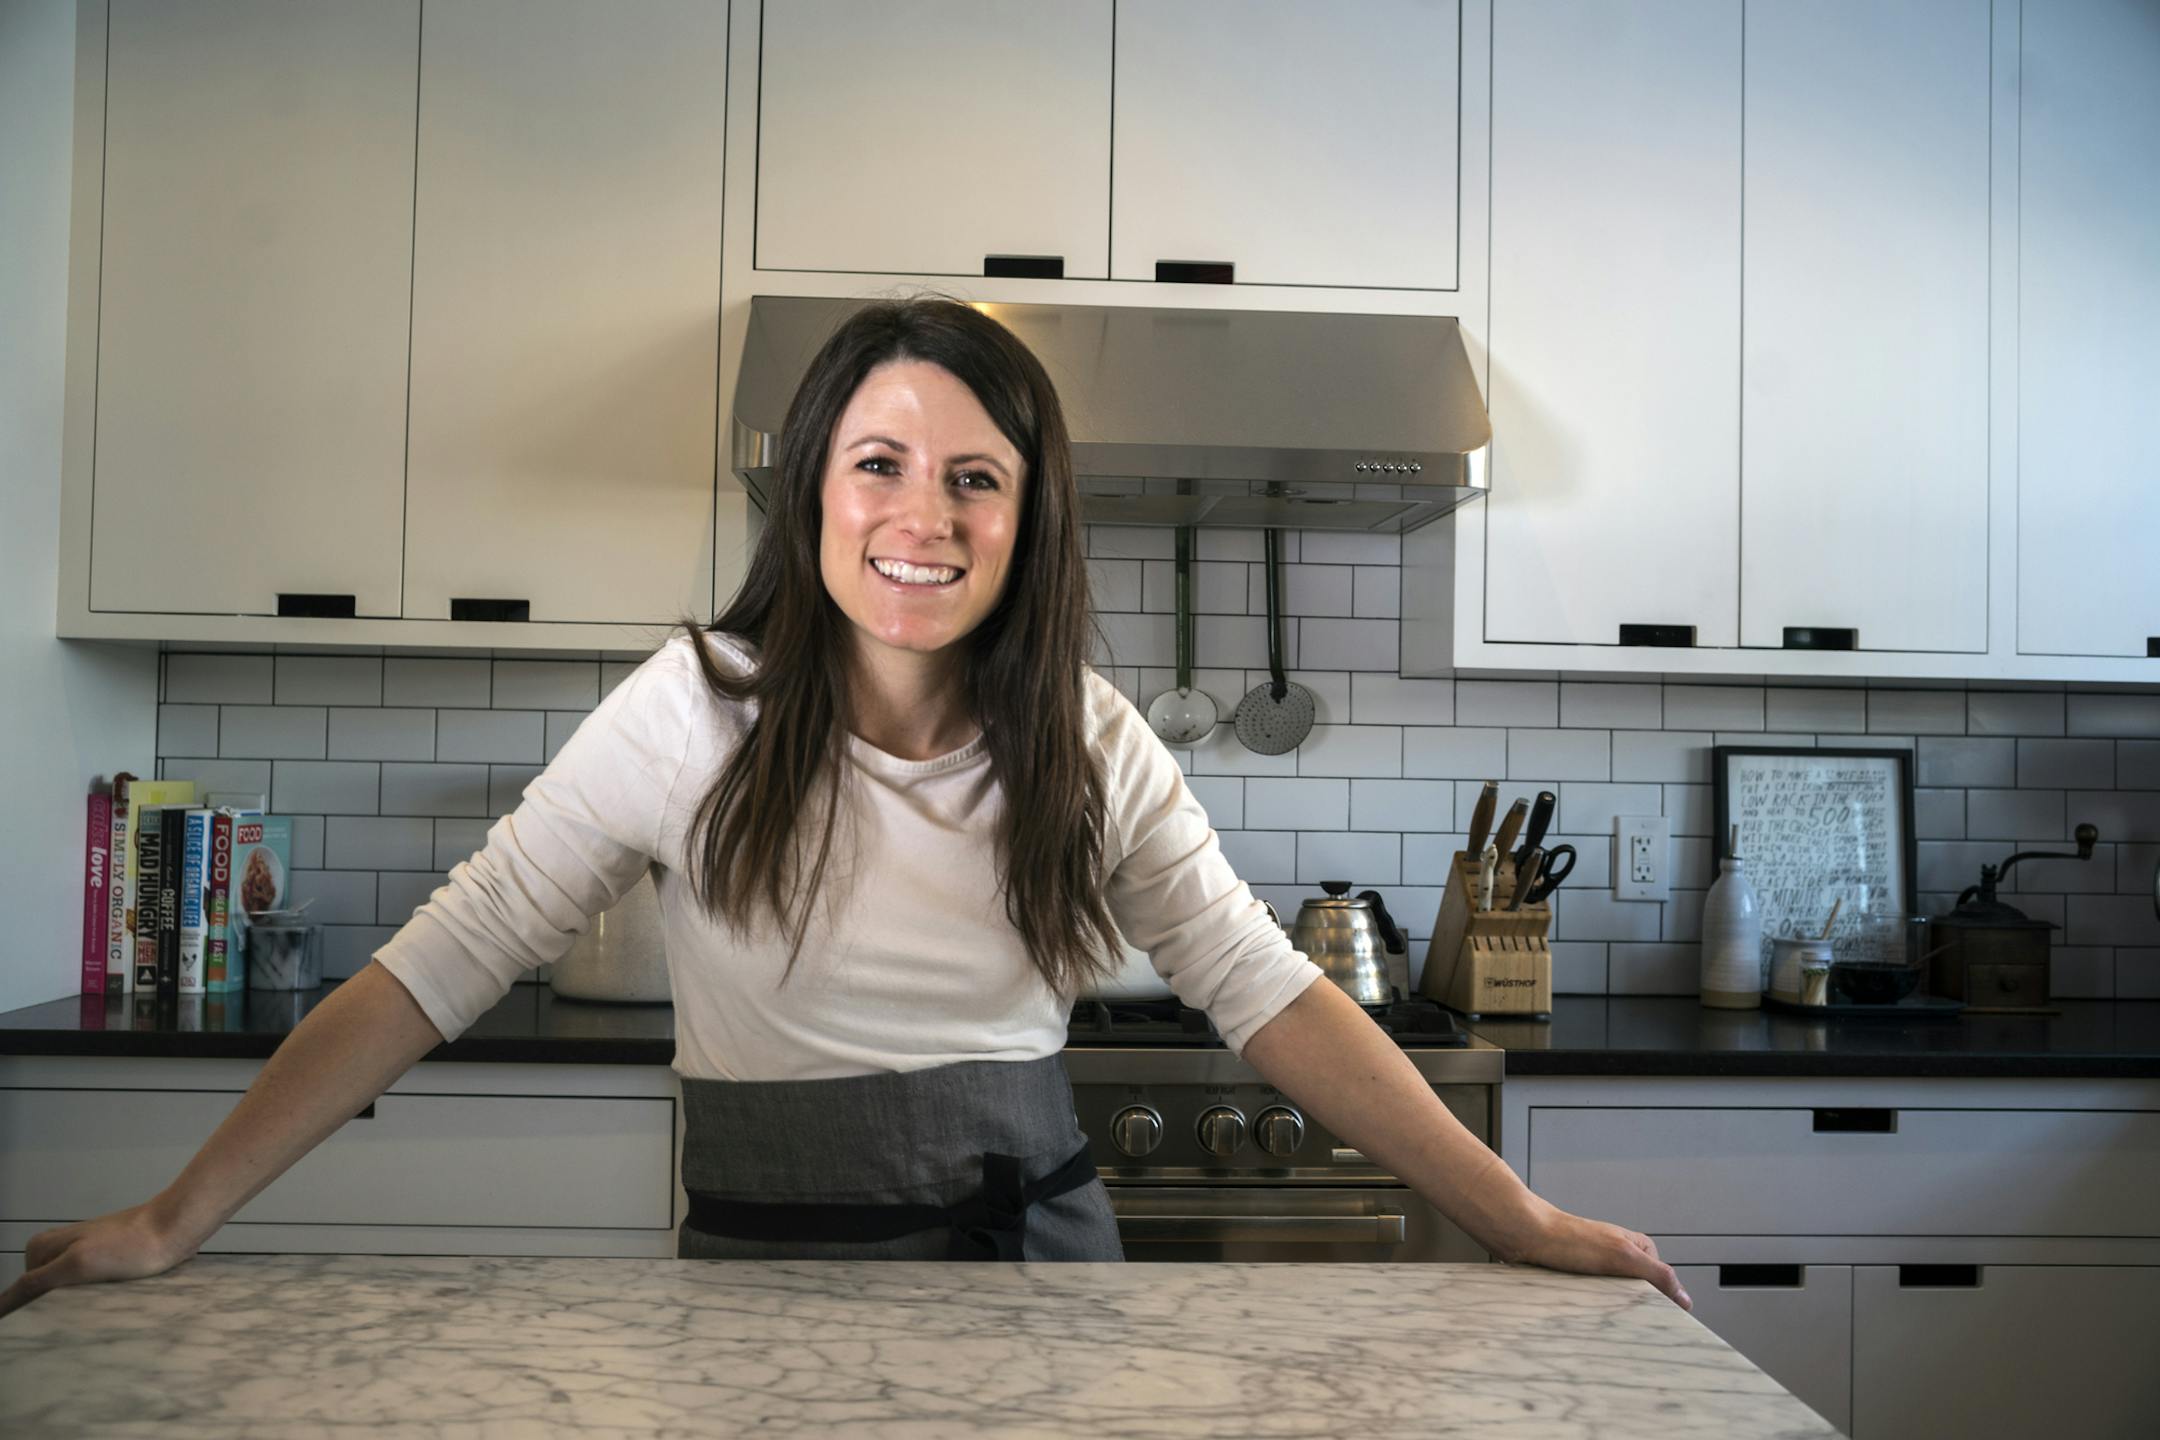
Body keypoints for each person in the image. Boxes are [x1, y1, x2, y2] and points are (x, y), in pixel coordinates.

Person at [0, 298, 1689, 1313]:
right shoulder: (689, 714)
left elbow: (1273, 998)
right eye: (880, 462)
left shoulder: (1092, 742)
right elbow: (436, 969)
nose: (922, 516)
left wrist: (1520, 1218)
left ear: (1026, 521)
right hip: (754, 1280)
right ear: (813, 486)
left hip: (1040, 1282)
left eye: (975, 478)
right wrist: (173, 1215)